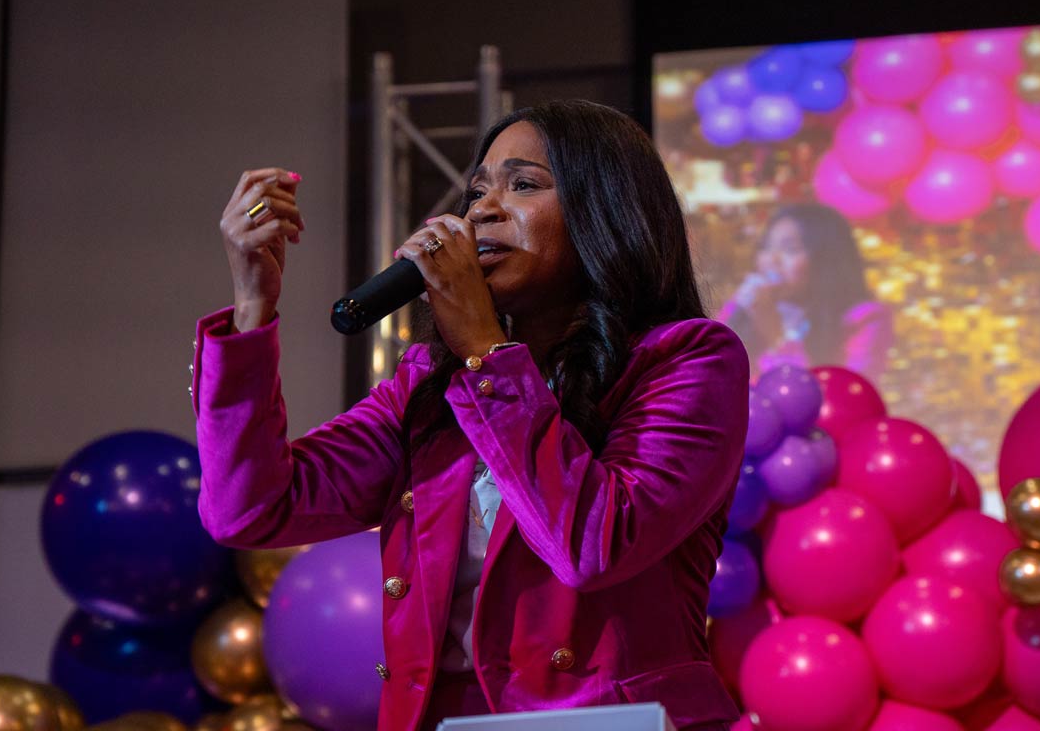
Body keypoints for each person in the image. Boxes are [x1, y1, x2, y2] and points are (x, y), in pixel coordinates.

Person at [192, 100, 749, 731]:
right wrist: (252, 306)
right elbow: (251, 508)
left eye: (524, 185)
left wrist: (485, 352)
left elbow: (596, 544)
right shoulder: (431, 384)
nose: (482, 210)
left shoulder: (687, 359)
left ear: (607, 211)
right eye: (477, 191)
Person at [717, 202, 892, 382]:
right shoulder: (750, 305)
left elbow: (838, 393)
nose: (772, 259)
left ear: (825, 259)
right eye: (766, 247)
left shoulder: (864, 318)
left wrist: (777, 338)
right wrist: (736, 311)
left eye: (790, 250)